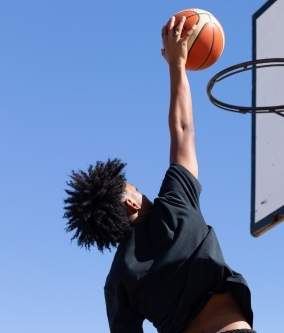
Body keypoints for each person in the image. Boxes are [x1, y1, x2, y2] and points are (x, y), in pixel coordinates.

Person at [63, 16, 255, 333]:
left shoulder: (118, 281)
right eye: (136, 189)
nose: (144, 192)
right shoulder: (173, 210)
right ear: (130, 204)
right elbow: (183, 131)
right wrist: (177, 64)